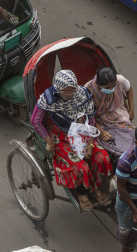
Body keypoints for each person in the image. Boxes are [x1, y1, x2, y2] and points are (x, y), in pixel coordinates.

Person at [30, 69, 112, 210]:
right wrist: (49, 141)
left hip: (82, 132)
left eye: (72, 90)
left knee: (102, 158)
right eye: (65, 92)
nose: (69, 94)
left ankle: (95, 187)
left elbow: (91, 118)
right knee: (80, 167)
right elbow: (35, 120)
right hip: (61, 136)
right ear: (58, 89)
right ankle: (82, 193)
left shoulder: (83, 94)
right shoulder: (49, 98)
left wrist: (90, 144)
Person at [85, 67, 135, 158]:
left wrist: (131, 109)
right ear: (98, 84)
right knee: (110, 140)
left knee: (130, 137)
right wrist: (101, 131)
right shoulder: (88, 90)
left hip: (118, 113)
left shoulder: (119, 80)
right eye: (107, 87)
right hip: (98, 119)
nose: (112, 89)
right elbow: (88, 116)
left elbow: (129, 88)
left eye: (113, 86)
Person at [115, 130, 137, 252]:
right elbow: (121, 188)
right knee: (127, 229)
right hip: (129, 202)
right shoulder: (126, 162)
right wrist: (135, 211)